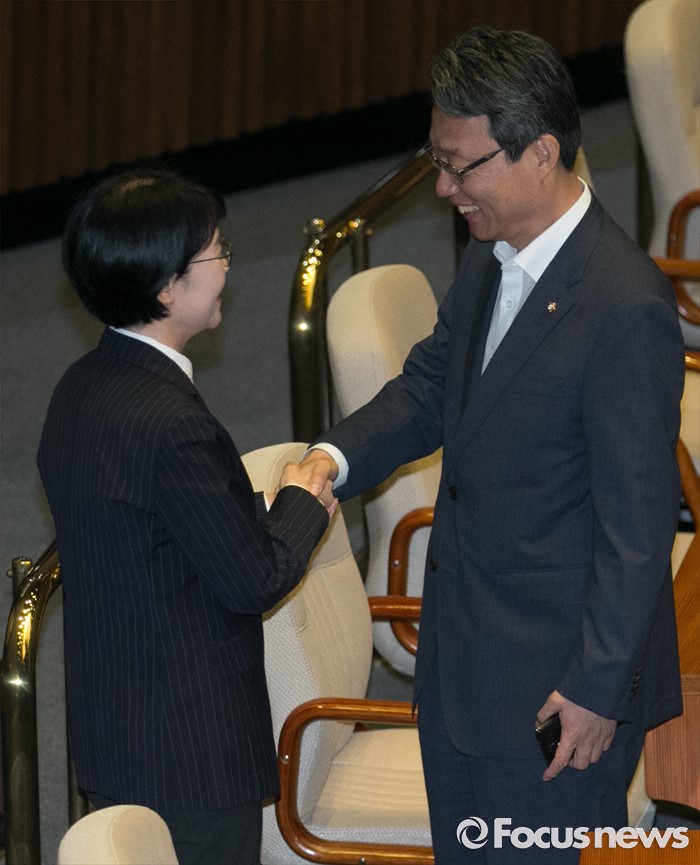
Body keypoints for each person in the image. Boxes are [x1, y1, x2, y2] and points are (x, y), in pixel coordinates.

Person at [295, 27, 686, 864]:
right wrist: (332, 457)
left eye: (459, 165)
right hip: (461, 671)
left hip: (557, 701)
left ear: (539, 153)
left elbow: (638, 526)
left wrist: (595, 688)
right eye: (436, 160)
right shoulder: (491, 250)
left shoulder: (625, 308)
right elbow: (429, 386)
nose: (443, 188)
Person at [37, 168, 335, 865]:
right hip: (192, 754)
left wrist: (257, 507)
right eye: (216, 251)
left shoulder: (80, 385)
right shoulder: (172, 423)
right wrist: (303, 507)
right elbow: (252, 579)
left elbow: (155, 526)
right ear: (168, 287)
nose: (227, 265)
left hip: (116, 732)